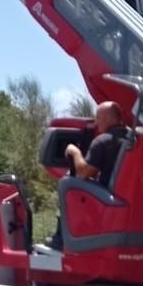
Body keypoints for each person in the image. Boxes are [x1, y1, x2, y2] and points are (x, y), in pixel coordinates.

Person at [45, 101, 129, 251]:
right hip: (125, 196)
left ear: (109, 119)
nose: (96, 122)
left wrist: (74, 151)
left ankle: (61, 238)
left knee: (68, 182)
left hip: (107, 197)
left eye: (98, 117)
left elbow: (84, 172)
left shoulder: (102, 141)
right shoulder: (133, 139)